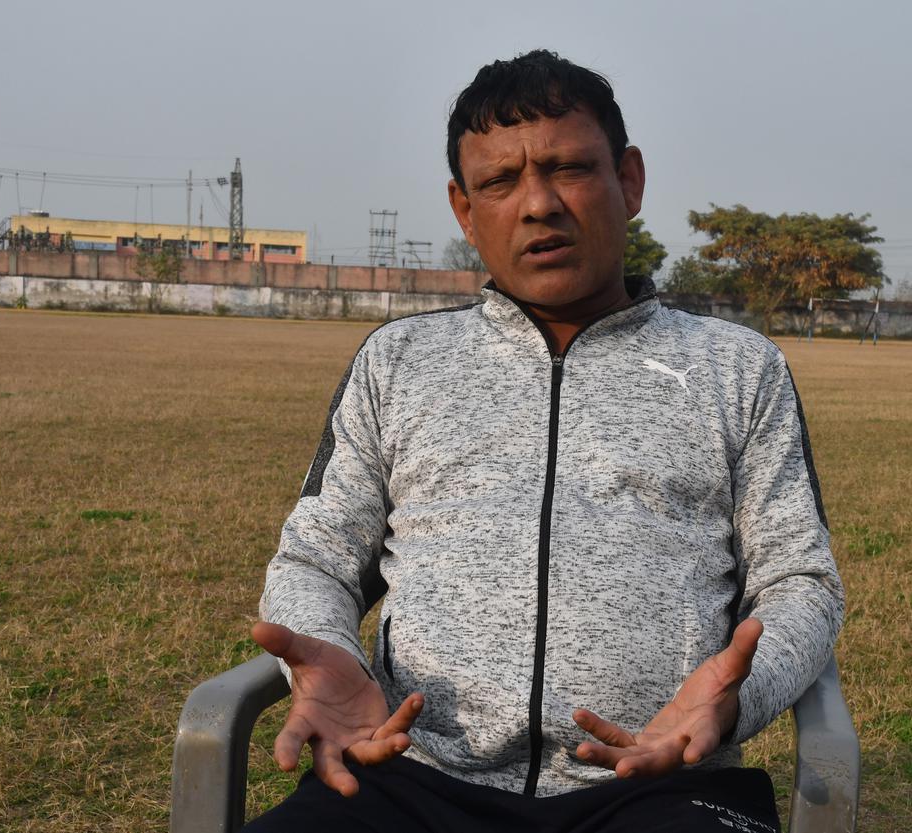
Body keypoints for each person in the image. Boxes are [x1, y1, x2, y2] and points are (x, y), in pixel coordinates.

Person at [246, 49, 843, 833]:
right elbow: (316, 559)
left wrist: (735, 700)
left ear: (628, 180)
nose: (537, 204)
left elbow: (802, 580)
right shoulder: (399, 363)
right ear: (465, 211)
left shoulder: (738, 368)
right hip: (411, 780)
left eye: (567, 168)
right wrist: (330, 650)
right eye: (499, 182)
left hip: (654, 783)